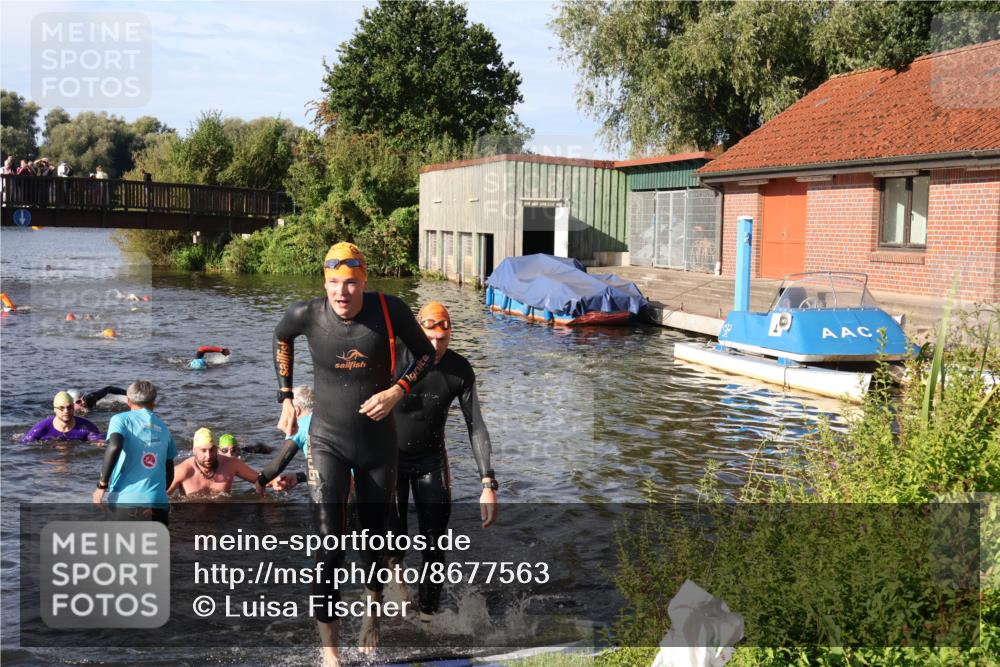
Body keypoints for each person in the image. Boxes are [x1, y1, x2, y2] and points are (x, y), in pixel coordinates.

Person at [273, 241, 434, 665]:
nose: (341, 293)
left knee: (374, 538)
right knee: (328, 545)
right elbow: (281, 338)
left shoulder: (389, 310)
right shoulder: (306, 314)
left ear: (363, 281)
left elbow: (426, 355)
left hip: (378, 444)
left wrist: (398, 391)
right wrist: (285, 396)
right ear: (324, 282)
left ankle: (372, 609)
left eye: (349, 283)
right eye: (333, 283)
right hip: (328, 439)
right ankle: (330, 654)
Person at [389, 301, 498, 618]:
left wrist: (488, 482)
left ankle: (427, 615)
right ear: (418, 331)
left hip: (430, 461)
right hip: (390, 459)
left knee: (434, 545)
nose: (437, 347)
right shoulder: (394, 358)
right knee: (393, 539)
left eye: (444, 339)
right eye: (431, 339)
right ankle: (398, 580)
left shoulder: (459, 369)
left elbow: (475, 425)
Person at [92, 381, 176, 524]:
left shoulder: (120, 420)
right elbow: (169, 471)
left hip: (125, 501)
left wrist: (102, 486)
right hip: (158, 503)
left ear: (129, 401)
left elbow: (114, 446)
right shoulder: (165, 429)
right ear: (153, 402)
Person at [168, 428, 264, 497]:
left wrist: (275, 480)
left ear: (217, 449)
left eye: (212, 450)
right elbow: (159, 498)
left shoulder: (231, 464)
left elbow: (260, 479)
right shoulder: (182, 471)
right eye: (203, 450)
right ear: (194, 451)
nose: (208, 456)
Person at [259, 385, 314, 490]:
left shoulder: (300, 426)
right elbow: (327, 467)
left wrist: (260, 481)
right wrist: (298, 477)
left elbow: (276, 467)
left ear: (296, 410)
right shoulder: (328, 420)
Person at [21, 391, 104, 443]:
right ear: (55, 410)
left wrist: (98, 442)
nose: (66, 411)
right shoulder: (41, 428)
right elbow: (24, 444)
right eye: (61, 408)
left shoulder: (86, 427)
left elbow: (99, 441)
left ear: (73, 407)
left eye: (69, 407)